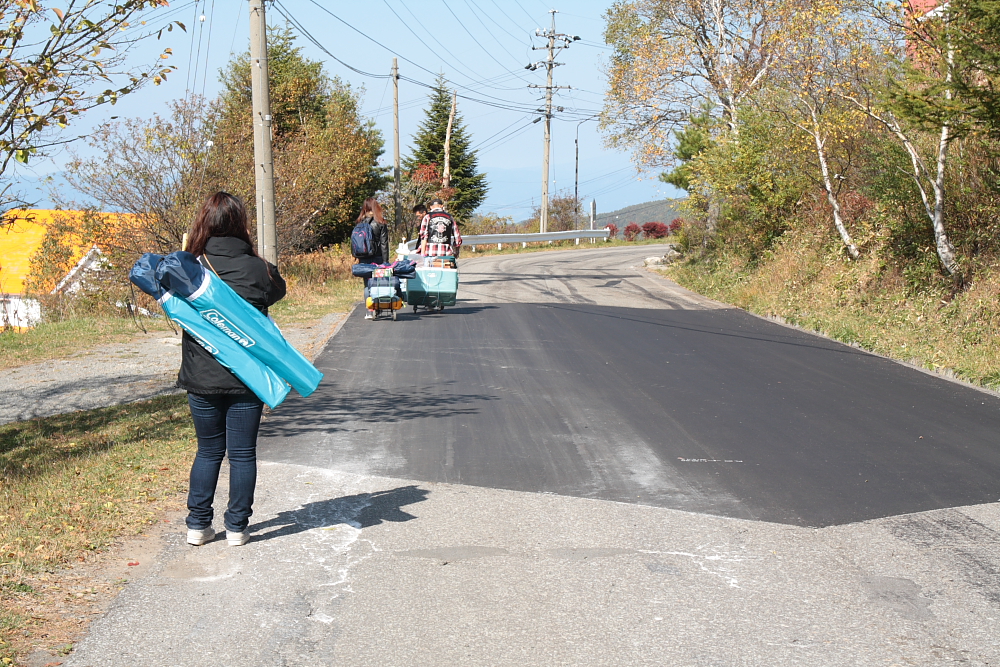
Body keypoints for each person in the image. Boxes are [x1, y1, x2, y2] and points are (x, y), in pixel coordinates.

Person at [178, 192, 286, 547]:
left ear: (204, 222)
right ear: (241, 223)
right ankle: (237, 527)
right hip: (248, 376)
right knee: (242, 454)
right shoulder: (259, 268)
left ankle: (198, 525)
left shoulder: (191, 266)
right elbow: (277, 292)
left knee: (208, 451)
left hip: (202, 376)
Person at [355, 197, 390, 319]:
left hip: (363, 257)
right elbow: (384, 244)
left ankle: (369, 311)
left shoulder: (360, 222)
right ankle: (378, 307)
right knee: (378, 283)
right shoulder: (380, 222)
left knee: (367, 284)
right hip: (378, 257)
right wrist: (385, 261)